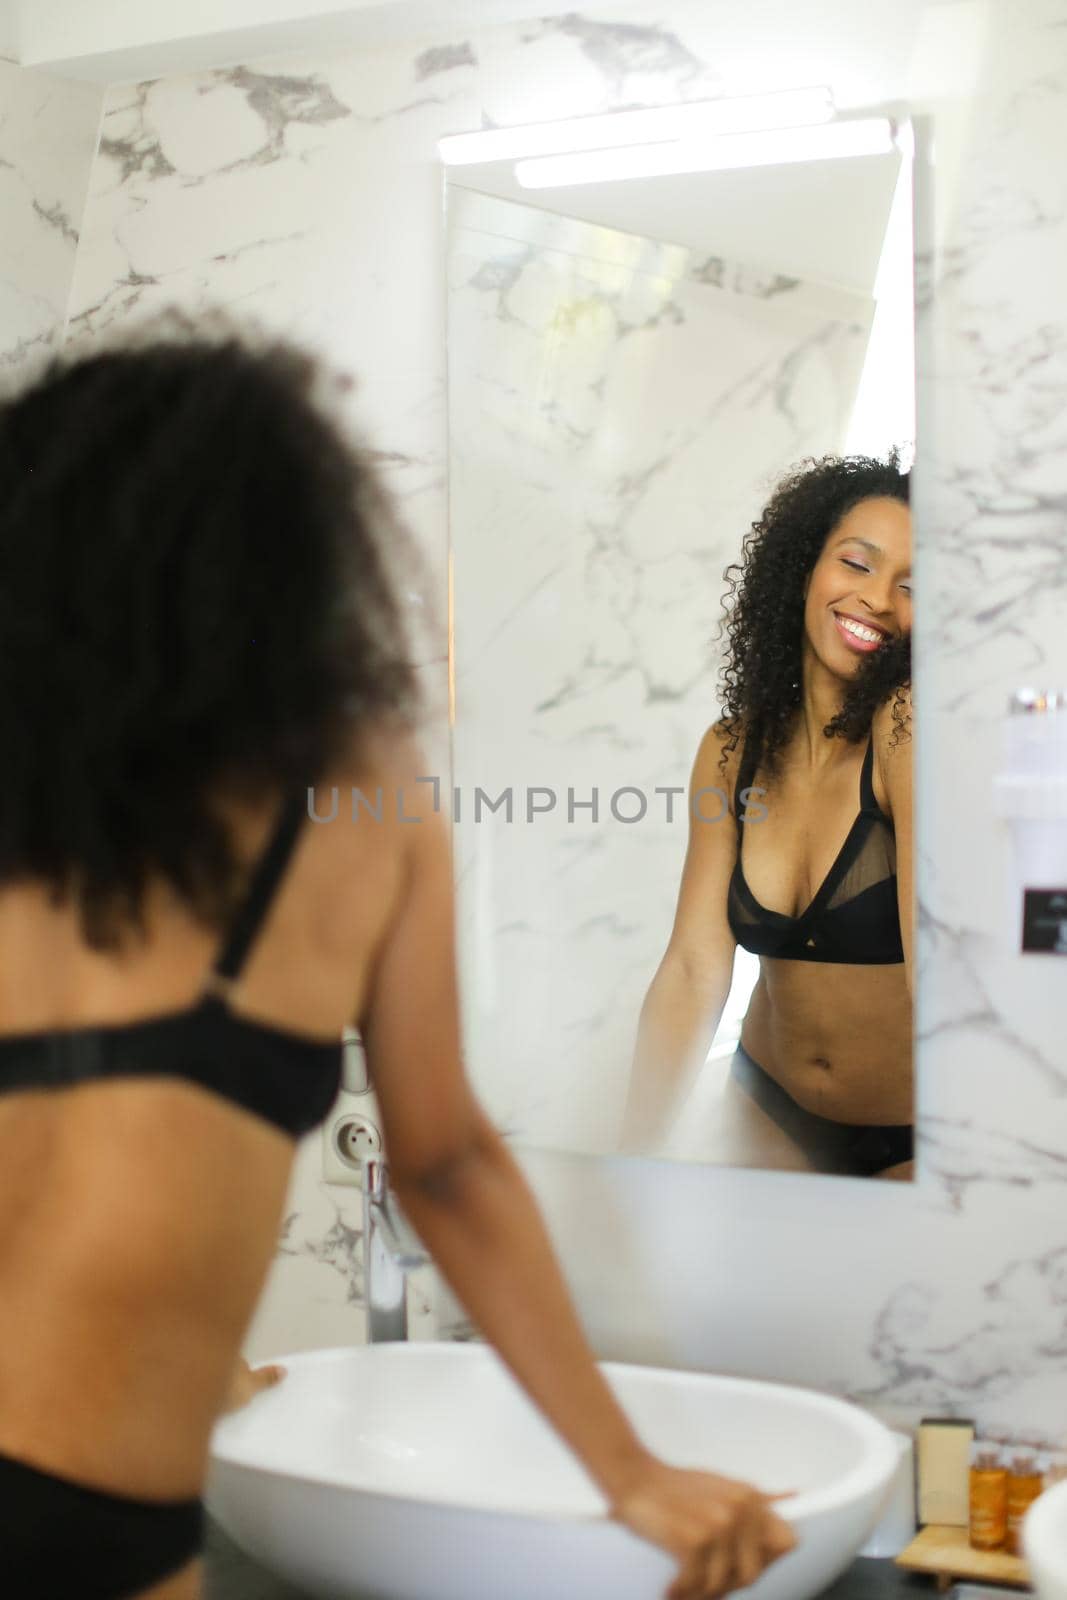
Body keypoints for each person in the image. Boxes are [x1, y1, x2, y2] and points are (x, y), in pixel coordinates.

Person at [0, 317, 795, 1600]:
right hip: (89, 1519)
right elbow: (446, 1165)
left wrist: (182, 1352)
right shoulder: (354, 801)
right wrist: (626, 1471)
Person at [622, 455, 913, 1179]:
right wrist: (626, 1161)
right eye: (856, 563)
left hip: (914, 1133)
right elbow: (691, 970)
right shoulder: (731, 753)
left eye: (913, 587)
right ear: (802, 569)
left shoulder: (908, 730)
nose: (876, 599)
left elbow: (938, 978)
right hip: (765, 1105)